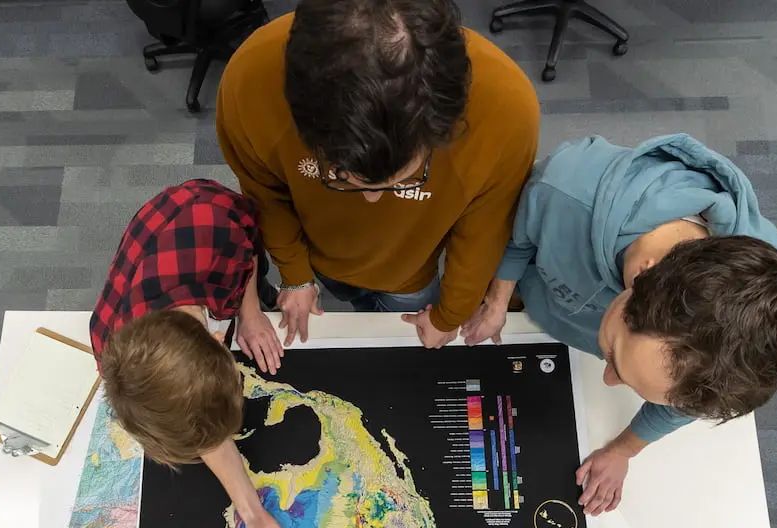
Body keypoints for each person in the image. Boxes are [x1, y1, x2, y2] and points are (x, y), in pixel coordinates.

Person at [461, 134, 777, 516]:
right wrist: (498, 300)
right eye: (612, 354)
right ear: (642, 277)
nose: (608, 379)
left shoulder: (753, 336)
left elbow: (685, 402)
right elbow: (518, 236)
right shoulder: (565, 190)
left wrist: (623, 449)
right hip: (530, 285)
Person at [215, 0, 539, 349]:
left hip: (410, 276)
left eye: (401, 180)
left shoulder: (508, 111)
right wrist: (294, 275)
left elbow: (484, 230)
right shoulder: (247, 85)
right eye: (343, 177)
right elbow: (264, 194)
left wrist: (451, 313)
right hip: (321, 256)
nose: (371, 200)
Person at [91, 179, 300, 528]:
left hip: (205, 222)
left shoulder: (216, 233)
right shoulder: (110, 351)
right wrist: (252, 514)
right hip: (173, 255)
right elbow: (195, 422)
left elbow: (247, 255)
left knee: (253, 274)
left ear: (219, 340)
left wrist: (251, 312)